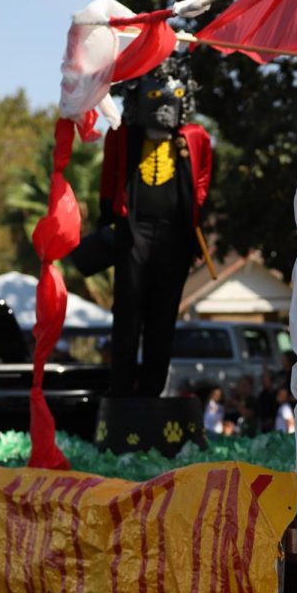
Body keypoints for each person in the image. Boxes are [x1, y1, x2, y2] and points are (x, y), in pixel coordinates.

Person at [99, 55, 212, 397]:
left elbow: (203, 179)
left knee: (163, 319)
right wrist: (109, 223)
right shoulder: (120, 135)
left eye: (172, 99)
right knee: (128, 314)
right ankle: (120, 392)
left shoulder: (195, 138)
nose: (163, 108)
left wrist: (196, 210)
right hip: (133, 234)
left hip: (173, 237)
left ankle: (151, 394)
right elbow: (108, 182)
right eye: (154, 98)